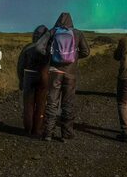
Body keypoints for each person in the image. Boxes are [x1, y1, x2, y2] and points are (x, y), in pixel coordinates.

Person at [37, 11, 90, 141]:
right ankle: (66, 133)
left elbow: (38, 47)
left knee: (52, 102)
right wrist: (74, 58)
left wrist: (50, 56)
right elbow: (86, 52)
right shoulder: (77, 33)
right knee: (68, 103)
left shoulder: (53, 32)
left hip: (55, 72)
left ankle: (48, 133)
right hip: (70, 73)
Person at [17, 25, 50, 137]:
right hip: (43, 79)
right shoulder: (48, 49)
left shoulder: (27, 47)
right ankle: (37, 131)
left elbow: (20, 66)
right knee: (41, 105)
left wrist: (21, 80)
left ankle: (27, 129)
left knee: (28, 105)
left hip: (28, 77)